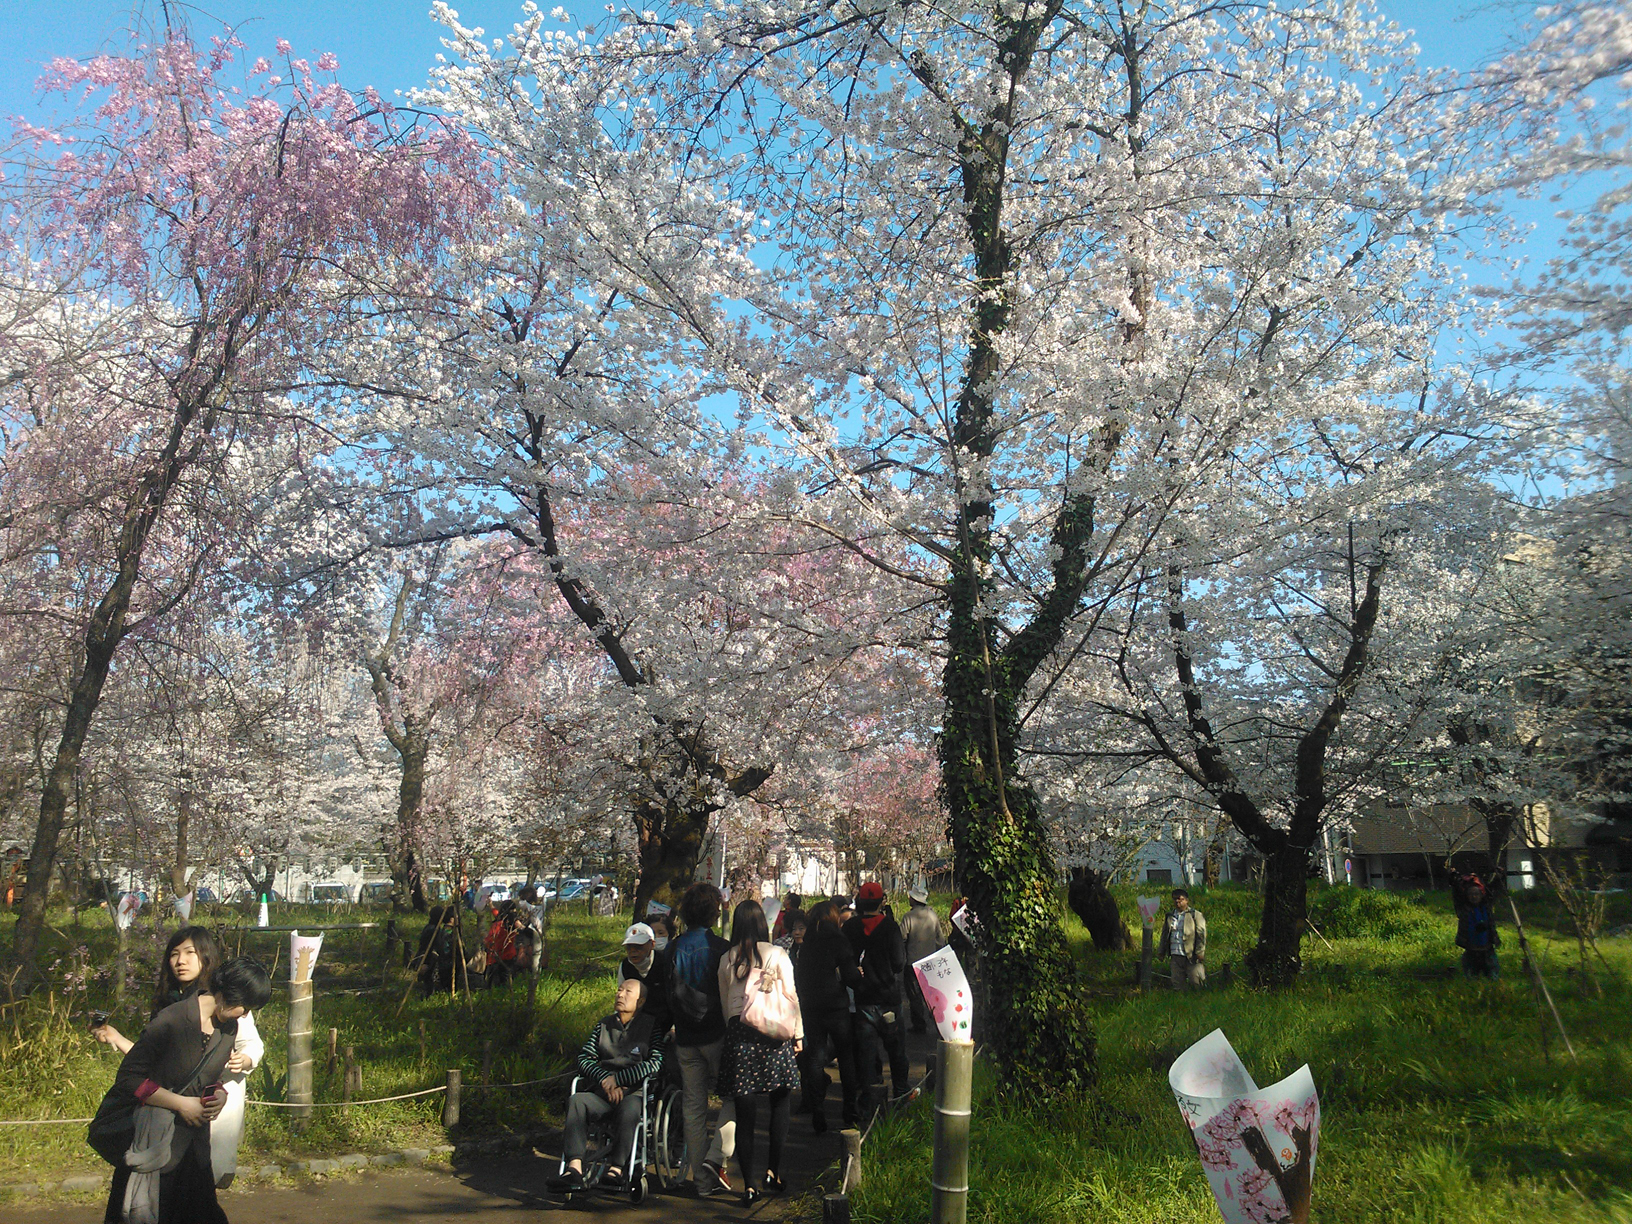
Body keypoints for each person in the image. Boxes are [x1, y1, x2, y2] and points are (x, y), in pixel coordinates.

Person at [89, 957, 272, 1224]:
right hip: (154, 1143)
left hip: (193, 1149)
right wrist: (180, 1104)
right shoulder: (171, 1021)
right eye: (244, 1007)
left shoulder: (229, 1026)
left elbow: (212, 1075)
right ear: (228, 995)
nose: (245, 1015)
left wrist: (219, 1094)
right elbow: (129, 1079)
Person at [718, 898, 803, 1206]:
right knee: (780, 1102)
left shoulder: (727, 957)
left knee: (745, 1113)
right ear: (762, 924)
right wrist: (799, 1034)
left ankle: (749, 1185)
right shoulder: (778, 954)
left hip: (740, 1035)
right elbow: (791, 997)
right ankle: (773, 1172)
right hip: (773, 1033)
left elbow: (725, 1003)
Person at [546, 977, 667, 1193]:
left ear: (640, 1001)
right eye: (619, 990)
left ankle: (617, 1169)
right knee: (576, 1101)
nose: (620, 994)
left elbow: (655, 1063)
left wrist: (620, 1081)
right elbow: (584, 1058)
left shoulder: (651, 1027)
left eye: (628, 992)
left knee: (630, 1109)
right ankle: (574, 1168)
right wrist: (605, 1079)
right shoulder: (603, 1024)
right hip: (602, 1093)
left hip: (634, 1093)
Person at [665, 883, 737, 1197]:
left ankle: (703, 1184)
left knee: (694, 1107)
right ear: (714, 911)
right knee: (733, 1096)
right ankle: (715, 1157)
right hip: (718, 1035)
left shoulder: (671, 948)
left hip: (685, 1038)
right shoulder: (721, 948)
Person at [793, 900, 863, 1134]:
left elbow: (800, 976)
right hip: (836, 1006)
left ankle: (818, 1110)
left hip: (811, 1006)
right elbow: (851, 976)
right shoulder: (839, 941)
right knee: (846, 1056)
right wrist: (855, 978)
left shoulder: (808, 943)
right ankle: (850, 1109)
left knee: (815, 1057)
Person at [844, 882, 910, 1111]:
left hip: (863, 1000)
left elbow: (845, 961)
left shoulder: (850, 927)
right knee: (896, 1050)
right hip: (889, 998)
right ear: (882, 901)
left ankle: (869, 1100)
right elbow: (899, 963)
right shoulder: (891, 927)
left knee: (866, 1054)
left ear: (860, 902)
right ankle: (901, 1095)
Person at [899, 886, 942, 1034]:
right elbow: (940, 939)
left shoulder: (908, 917)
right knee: (931, 994)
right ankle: (939, 1022)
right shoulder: (933, 915)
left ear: (914, 900)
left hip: (913, 962)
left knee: (915, 995)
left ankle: (919, 1024)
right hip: (930, 962)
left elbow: (902, 938)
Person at [618, 922, 671, 1032]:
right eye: (629, 947)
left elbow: (678, 999)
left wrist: (674, 1028)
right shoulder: (625, 966)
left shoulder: (667, 963)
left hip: (666, 1025)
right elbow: (621, 999)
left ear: (652, 944)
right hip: (637, 1027)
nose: (633, 951)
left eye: (638, 947)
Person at [1455, 876, 1501, 979]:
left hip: (1487, 949)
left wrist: (1498, 876)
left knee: (1493, 977)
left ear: (1481, 895)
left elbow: (1492, 891)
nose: (1474, 897)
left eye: (1476, 894)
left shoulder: (1486, 907)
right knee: (1471, 978)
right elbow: (1457, 895)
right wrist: (1454, 878)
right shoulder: (1464, 909)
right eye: (1471, 894)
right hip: (1471, 950)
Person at [1162, 888, 1207, 991]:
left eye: (1180, 899)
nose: (1177, 902)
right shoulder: (1170, 916)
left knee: (1197, 982)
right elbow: (1164, 934)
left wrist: (1200, 952)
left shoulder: (1195, 915)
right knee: (1177, 983)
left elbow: (1201, 934)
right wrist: (1162, 951)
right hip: (1175, 954)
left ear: (1186, 900)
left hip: (1191, 955)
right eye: (1174, 899)